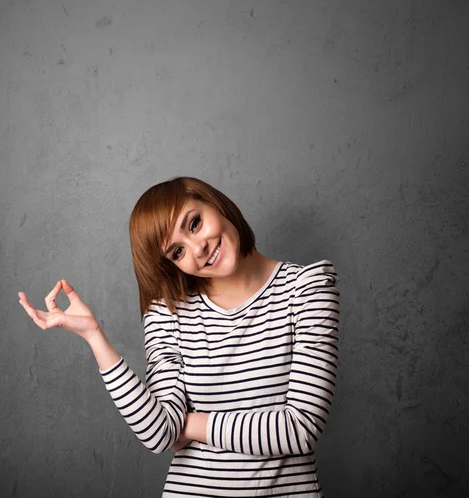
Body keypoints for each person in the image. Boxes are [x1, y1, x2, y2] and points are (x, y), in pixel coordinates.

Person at [18, 176, 340, 497]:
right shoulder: (167, 313)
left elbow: (300, 429)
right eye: (177, 251)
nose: (198, 248)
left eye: (195, 223)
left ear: (215, 203)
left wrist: (190, 425)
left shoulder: (307, 289)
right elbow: (160, 434)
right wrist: (94, 337)